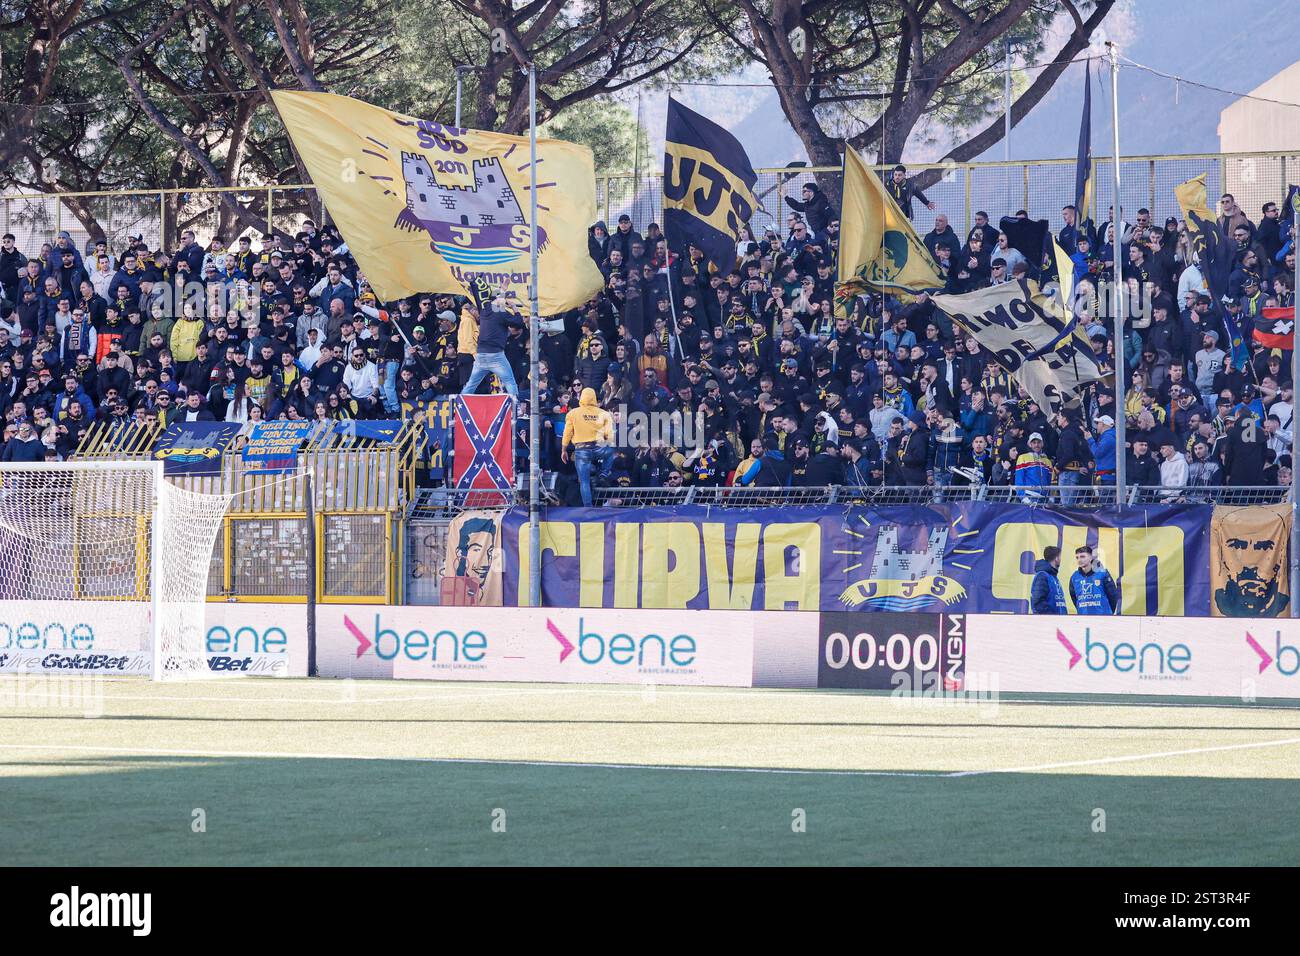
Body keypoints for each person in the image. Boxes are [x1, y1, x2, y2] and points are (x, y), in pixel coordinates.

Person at [560, 387, 614, 507]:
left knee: (584, 482)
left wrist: (563, 450)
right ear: (594, 397)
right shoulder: (603, 414)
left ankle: (588, 508)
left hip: (581, 450)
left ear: (581, 398)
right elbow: (609, 436)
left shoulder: (573, 413)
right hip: (598, 447)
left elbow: (567, 433)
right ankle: (604, 474)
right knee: (611, 452)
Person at [1069, 545, 1119, 615]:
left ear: (1090, 557)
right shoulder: (1074, 577)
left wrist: (1107, 613)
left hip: (1103, 618)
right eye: (1077, 557)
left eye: (1083, 556)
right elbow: (1074, 598)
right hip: (1083, 619)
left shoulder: (1103, 573)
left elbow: (1113, 596)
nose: (1079, 560)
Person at [1030, 546, 1068, 615]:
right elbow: (1037, 602)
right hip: (1049, 623)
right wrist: (1051, 618)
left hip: (1058, 623)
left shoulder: (1053, 577)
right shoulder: (1042, 576)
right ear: (1056, 558)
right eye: (1060, 557)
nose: (1060, 559)